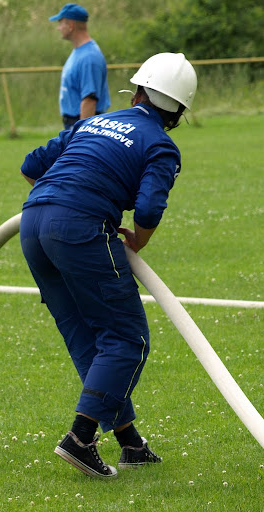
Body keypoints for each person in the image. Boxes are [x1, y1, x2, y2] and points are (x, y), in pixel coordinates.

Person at [19, 52, 197, 478]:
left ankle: (130, 443)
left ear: (136, 92)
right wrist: (139, 239)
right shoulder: (161, 146)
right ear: (178, 113)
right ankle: (80, 439)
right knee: (127, 340)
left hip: (31, 224)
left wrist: (62, 196)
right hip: (79, 229)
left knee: (87, 339)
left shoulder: (93, 122)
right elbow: (149, 209)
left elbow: (31, 166)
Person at [49, 3, 111, 130]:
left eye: (61, 23)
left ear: (71, 26)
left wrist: (81, 135)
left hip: (81, 123)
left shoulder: (89, 57)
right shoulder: (80, 51)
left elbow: (90, 100)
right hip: (73, 123)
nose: (58, 28)